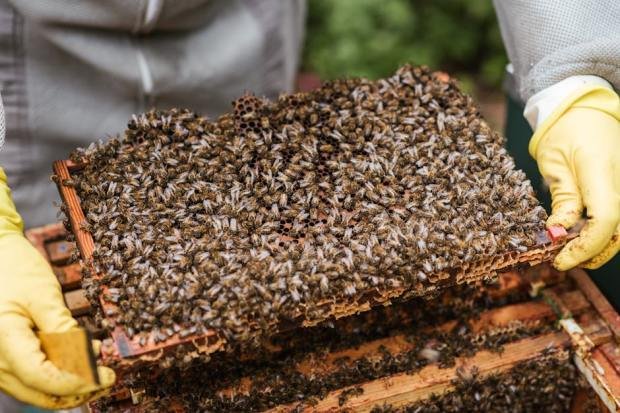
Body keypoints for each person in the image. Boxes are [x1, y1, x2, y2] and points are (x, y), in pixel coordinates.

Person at [0, 0, 617, 409]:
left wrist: (571, 67)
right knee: (45, 350)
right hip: (25, 66)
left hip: (235, 26)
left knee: (279, 218)